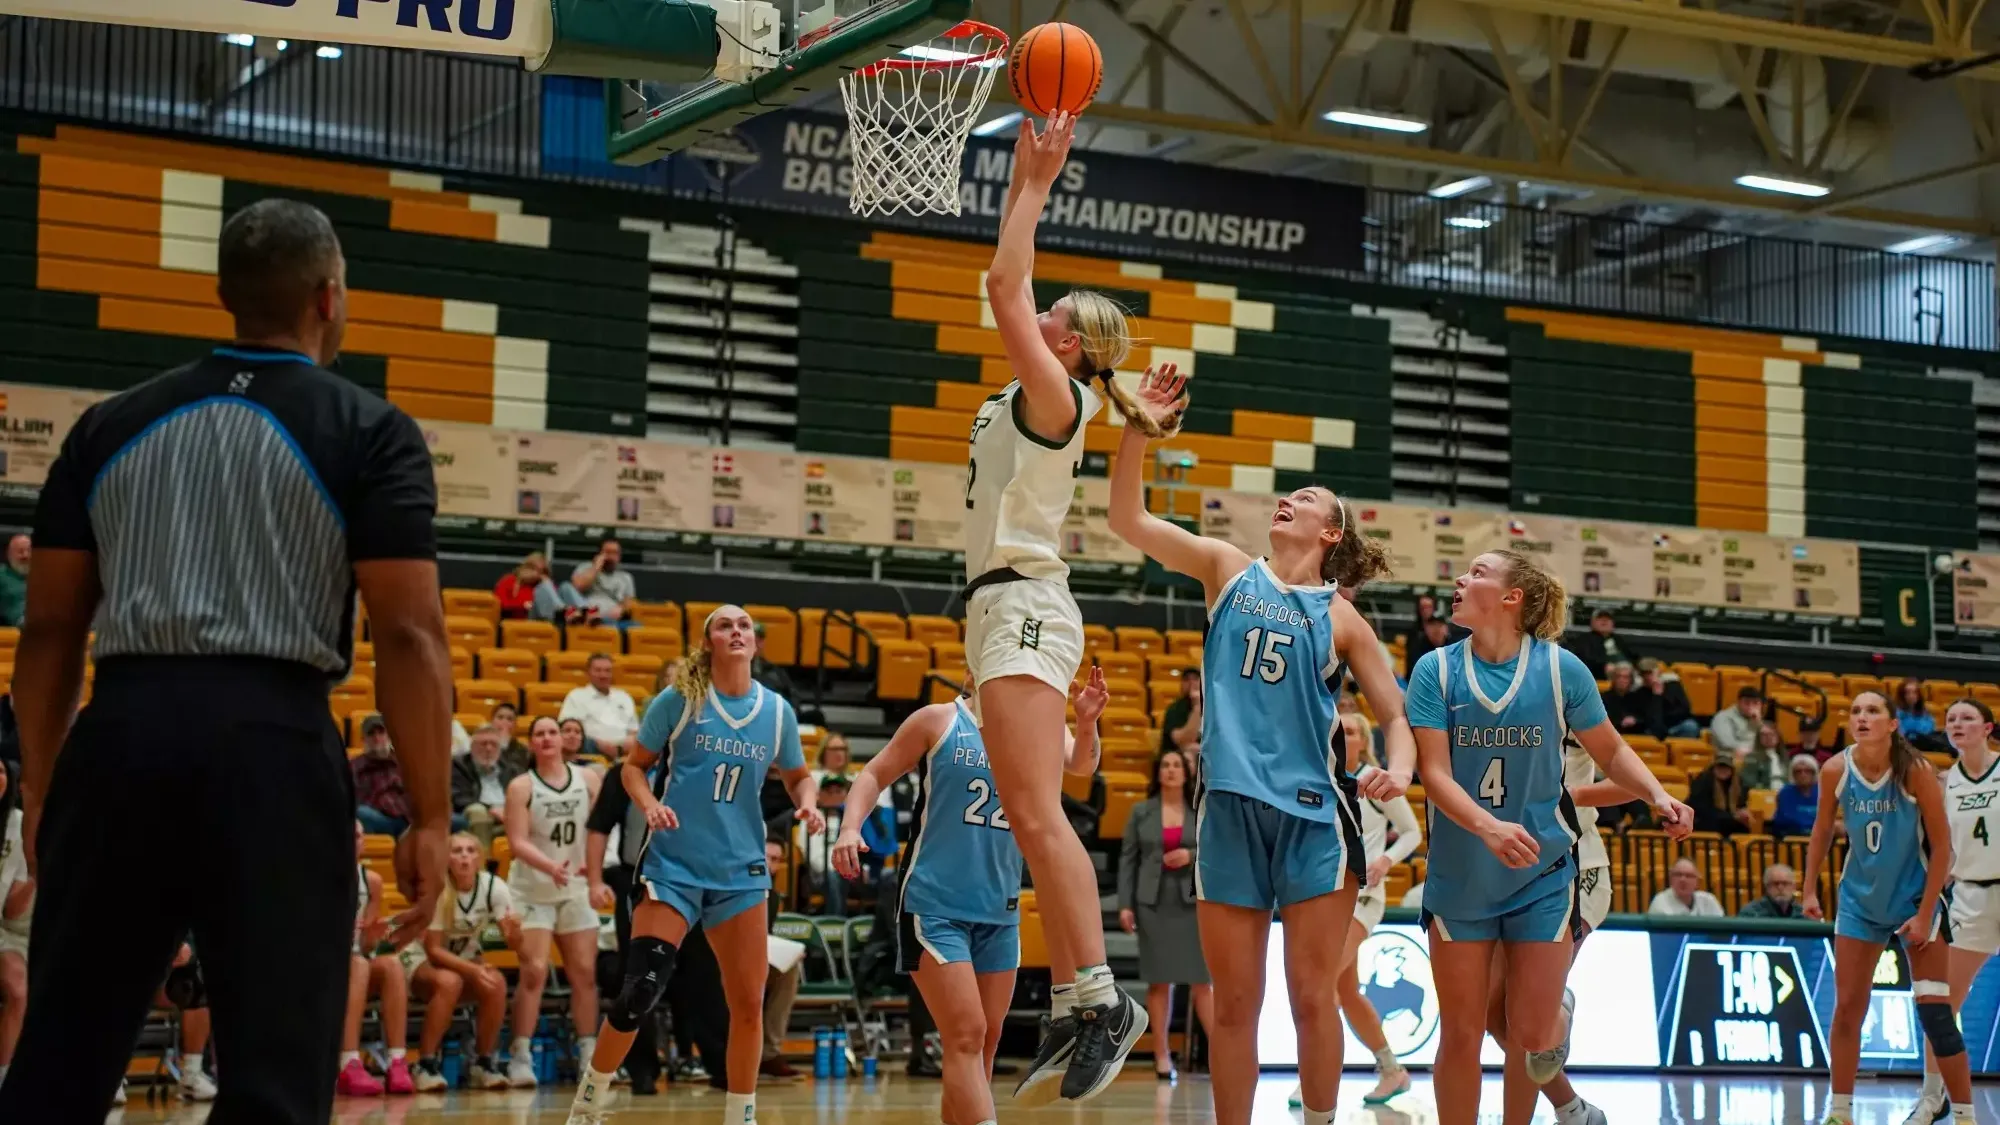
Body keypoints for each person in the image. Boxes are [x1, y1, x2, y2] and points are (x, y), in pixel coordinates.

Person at [0, 198, 454, 1124]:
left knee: (59, 1060)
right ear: (331, 298)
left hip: (119, 735)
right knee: (277, 1081)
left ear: (223, 296)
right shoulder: (370, 430)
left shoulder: (105, 426)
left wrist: (43, 790)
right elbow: (408, 635)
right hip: (272, 746)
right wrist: (433, 813)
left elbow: (49, 632)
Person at [1105, 370, 1416, 1125]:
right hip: (1232, 815)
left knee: (1313, 997)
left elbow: (1397, 715)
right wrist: (1139, 426)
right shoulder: (1225, 568)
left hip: (1313, 818)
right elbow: (1127, 518)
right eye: (1290, 495)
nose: (1291, 499)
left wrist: (1398, 768)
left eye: (1309, 499)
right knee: (1237, 1007)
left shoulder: (1343, 620)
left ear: (1330, 533)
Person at [962, 111, 1184, 1104]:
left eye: (1050, 314)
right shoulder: (1055, 396)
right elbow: (1006, 291)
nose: (1031, 312)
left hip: (1021, 603)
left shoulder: (1055, 398)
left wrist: (1033, 183)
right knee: (1027, 810)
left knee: (1035, 810)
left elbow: (1002, 283)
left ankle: (1098, 998)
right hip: (1008, 606)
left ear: (1069, 346)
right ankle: (1078, 995)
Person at [1410, 549, 1689, 1125]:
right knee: (1462, 1032)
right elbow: (1433, 774)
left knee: (1530, 1036)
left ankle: (1551, 1012)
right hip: (1462, 875)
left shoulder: (1563, 670)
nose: (1460, 580)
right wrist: (1487, 827)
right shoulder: (1434, 670)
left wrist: (1657, 794)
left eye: (1477, 573)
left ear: (1511, 597)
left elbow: (1610, 750)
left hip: (1542, 873)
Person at [568, 605, 822, 1125]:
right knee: (640, 989)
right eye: (725, 625)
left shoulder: (776, 712)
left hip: (741, 872)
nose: (736, 631)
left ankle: (740, 1115)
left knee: (748, 1002)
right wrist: (649, 805)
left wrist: (810, 802)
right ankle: (590, 1099)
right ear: (708, 642)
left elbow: (798, 776)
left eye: (744, 626)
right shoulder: (680, 700)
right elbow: (632, 769)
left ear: (755, 643)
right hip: (674, 867)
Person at [832, 672, 1105, 1125]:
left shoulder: (1035, 726)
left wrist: (1087, 720)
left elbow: (1081, 763)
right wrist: (848, 828)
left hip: (999, 910)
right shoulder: (938, 720)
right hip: (933, 906)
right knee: (965, 1035)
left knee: (984, 1042)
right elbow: (874, 773)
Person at [1802, 690, 1971, 1125]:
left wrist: (1927, 911)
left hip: (1914, 900)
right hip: (1859, 903)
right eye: (1855, 711)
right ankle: (1840, 1112)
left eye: (1873, 711)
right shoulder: (1835, 769)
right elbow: (1821, 831)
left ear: (1892, 724)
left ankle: (1963, 1113)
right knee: (1847, 1009)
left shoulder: (1915, 770)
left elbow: (1943, 846)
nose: (1862, 717)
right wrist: (1808, 891)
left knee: (1937, 1012)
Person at [1288, 710, 1420, 1109]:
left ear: (1363, 740)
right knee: (1344, 989)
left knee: (1320, 984)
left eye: (1350, 731)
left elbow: (1413, 831)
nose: (1343, 736)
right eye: (1338, 730)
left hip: (1363, 897)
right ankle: (1392, 1069)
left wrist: (1386, 861)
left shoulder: (1375, 782)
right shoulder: (1319, 779)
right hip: (1324, 896)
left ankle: (1311, 1081)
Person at [1903, 698, 2000, 1125]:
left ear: (1988, 728)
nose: (1957, 724)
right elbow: (1937, 848)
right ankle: (1932, 1097)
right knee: (1939, 999)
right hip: (1970, 897)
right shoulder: (1943, 783)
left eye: (1967, 718)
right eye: (1951, 720)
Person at [504, 715, 604, 1088]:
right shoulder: (521, 786)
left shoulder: (589, 779)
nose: (547, 738)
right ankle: (521, 1054)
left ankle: (589, 1054)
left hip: (575, 888)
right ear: (531, 743)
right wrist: (551, 867)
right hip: (533, 891)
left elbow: (599, 829)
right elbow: (516, 841)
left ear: (564, 740)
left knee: (584, 973)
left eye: (552, 732)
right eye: (539, 734)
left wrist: (594, 876)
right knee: (534, 973)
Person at [1116, 748, 1212, 1082]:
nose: (1171, 771)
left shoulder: (1199, 809)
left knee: (1202, 982)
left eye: (1176, 765)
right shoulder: (1141, 812)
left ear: (1186, 773)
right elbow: (1127, 860)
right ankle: (1161, 1053)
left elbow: (1216, 847)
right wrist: (1125, 904)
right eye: (1165, 766)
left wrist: (1191, 854)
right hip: (1152, 904)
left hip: (1192, 904)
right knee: (1160, 982)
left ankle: (1221, 1054)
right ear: (1158, 773)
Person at [423, 832, 521, 1091]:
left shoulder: (494, 887)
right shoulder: (436, 888)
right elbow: (432, 950)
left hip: (463, 964)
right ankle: (425, 1064)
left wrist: (515, 934)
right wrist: (473, 969)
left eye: (470, 850)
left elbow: (517, 947)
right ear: (446, 858)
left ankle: (483, 1062)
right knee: (449, 981)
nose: (464, 856)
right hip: (422, 964)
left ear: (480, 857)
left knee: (496, 982)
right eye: (457, 851)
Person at [337, 821, 415, 1097]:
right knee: (358, 965)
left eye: (358, 835)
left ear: (364, 843)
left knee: (390, 963)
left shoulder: (371, 882)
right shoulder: (315, 877)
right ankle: (348, 1062)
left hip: (354, 967)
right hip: (318, 969)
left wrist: (373, 936)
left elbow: (367, 946)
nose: (352, 840)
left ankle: (397, 1061)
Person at [0, 758, 27, 1088]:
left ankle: (5, 1079)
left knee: (18, 983)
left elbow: (12, 911)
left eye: (3, 770)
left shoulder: (18, 824)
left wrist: (36, 873)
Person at [451, 723, 523, 848]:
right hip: (479, 813)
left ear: (500, 749)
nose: (488, 748)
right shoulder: (459, 765)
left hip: (507, 814)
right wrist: (491, 808)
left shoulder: (511, 769)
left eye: (493, 744)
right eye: (483, 744)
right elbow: (459, 797)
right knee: (478, 811)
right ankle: (481, 864)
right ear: (472, 747)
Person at [560, 654, 640, 757]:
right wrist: (599, 745)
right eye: (598, 670)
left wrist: (624, 746)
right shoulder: (576, 696)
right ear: (588, 673)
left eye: (607, 671)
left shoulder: (624, 697)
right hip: (590, 752)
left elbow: (634, 731)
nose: (603, 675)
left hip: (624, 754)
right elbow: (568, 732)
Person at [571, 540, 639, 626]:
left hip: (612, 618)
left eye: (615, 553)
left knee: (636, 626)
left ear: (619, 556)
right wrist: (596, 567)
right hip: (587, 617)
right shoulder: (585, 567)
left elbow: (628, 605)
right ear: (599, 554)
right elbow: (578, 587)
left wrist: (622, 610)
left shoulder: (626, 577)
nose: (611, 556)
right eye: (607, 552)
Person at [1633, 658, 1699, 739]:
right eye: (1644, 674)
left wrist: (1665, 716)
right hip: (1654, 729)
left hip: (1674, 725)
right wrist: (1657, 696)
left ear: (1658, 672)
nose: (1647, 677)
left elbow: (1685, 709)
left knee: (1690, 726)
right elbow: (1651, 719)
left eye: (1650, 673)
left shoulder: (1673, 686)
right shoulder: (1640, 693)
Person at [1566, 609, 1637, 681]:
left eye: (1608, 619)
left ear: (1613, 623)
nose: (1604, 621)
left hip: (1626, 670)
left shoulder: (1618, 639)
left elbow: (1631, 657)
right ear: (1592, 622)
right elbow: (1584, 661)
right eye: (1600, 618)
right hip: (1600, 675)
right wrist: (1603, 667)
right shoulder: (1584, 640)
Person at [1688, 755, 1751, 836]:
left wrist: (1742, 812)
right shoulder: (1702, 782)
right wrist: (1731, 816)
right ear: (1713, 768)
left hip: (1729, 820)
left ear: (1732, 770)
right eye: (1720, 767)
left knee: (1743, 827)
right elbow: (1701, 808)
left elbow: (1741, 804)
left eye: (1726, 768)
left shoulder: (1738, 783)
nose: (1723, 770)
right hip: (1706, 821)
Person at [1647, 858, 1724, 917]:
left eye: (1689, 876)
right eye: (1678, 875)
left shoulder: (1709, 900)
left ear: (1697, 881)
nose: (1682, 879)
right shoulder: (1660, 902)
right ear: (1671, 879)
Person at [1770, 755, 1822, 837]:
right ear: (1793, 775)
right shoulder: (1785, 792)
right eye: (1798, 771)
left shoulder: (1824, 792)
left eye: (1807, 771)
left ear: (1814, 773)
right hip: (1792, 839)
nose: (1803, 774)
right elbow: (1786, 819)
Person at [1157, 669, 1200, 757]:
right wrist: (1197, 707)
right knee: (1191, 751)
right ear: (1181, 685)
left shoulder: (1211, 708)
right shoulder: (1174, 709)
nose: (1191, 683)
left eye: (1195, 679)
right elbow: (1183, 740)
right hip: (1175, 757)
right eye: (1186, 679)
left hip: (1203, 755)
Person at [1710, 688, 1765, 757]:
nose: (1751, 707)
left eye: (1755, 703)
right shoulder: (1723, 717)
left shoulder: (1758, 719)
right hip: (1726, 758)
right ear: (1738, 702)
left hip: (1752, 757)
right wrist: (1752, 750)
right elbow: (1727, 743)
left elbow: (1767, 742)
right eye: (1747, 703)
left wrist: (1758, 724)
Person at [1739, 720, 1789, 791]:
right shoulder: (1751, 758)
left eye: (1772, 734)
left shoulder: (1786, 756)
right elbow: (1749, 782)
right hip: (1763, 796)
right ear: (1759, 738)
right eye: (1764, 735)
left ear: (1778, 737)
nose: (1768, 737)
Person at [1737, 863, 1803, 918]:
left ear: (1794, 887)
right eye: (1775, 884)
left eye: (1785, 883)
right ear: (1767, 887)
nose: (1780, 887)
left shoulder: (1803, 914)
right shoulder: (1750, 913)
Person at [1893, 677, 1937, 742]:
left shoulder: (1925, 713)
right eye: (1907, 692)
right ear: (1902, 695)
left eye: (1915, 692)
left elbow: (1930, 732)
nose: (1911, 696)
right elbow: (1900, 735)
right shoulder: (1896, 713)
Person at [0, 536, 26, 628]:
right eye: (20, 551)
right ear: (9, 554)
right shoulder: (2, 575)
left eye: (29, 551)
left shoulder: (43, 574)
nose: (25, 555)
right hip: (13, 629)